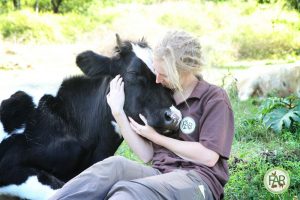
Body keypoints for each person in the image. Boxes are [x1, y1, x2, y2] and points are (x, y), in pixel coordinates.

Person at [48, 30, 234, 200]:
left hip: (197, 180)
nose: (158, 79)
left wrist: (156, 137)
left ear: (183, 70)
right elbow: (147, 155)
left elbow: (208, 157)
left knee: (127, 193)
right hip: (160, 174)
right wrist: (118, 112)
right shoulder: (163, 96)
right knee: (113, 167)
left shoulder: (214, 98)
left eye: (163, 74)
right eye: (156, 72)